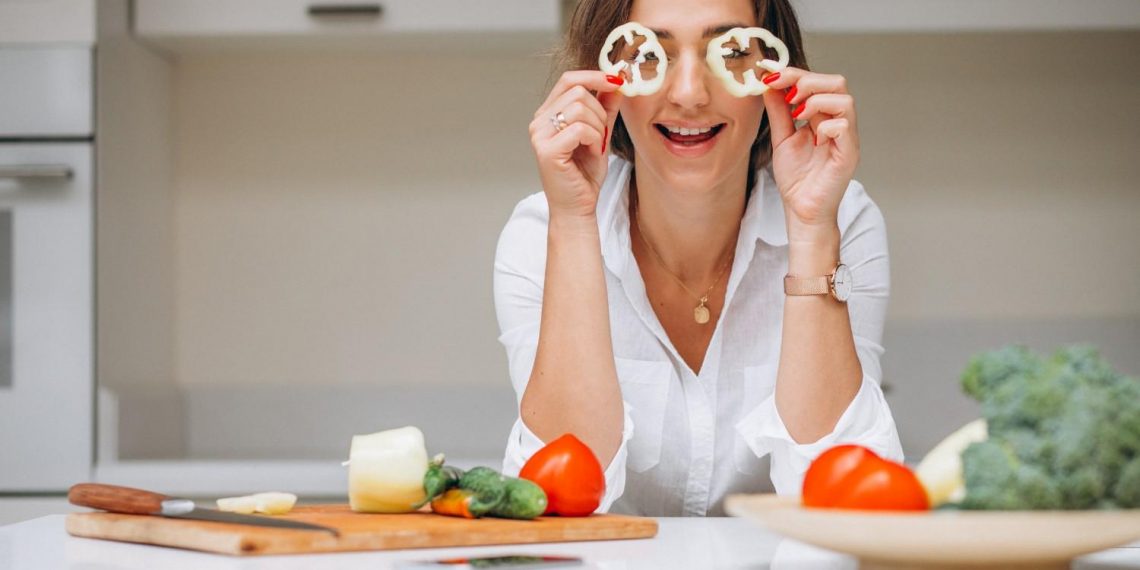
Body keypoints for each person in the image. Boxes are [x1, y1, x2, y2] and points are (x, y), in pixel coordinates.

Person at [495, 0, 903, 516]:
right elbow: (557, 497)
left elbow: (846, 496)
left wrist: (811, 228)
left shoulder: (842, 219)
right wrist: (575, 222)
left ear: (773, 78)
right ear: (607, 80)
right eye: (651, 55)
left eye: (730, 53)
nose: (689, 93)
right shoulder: (540, 233)